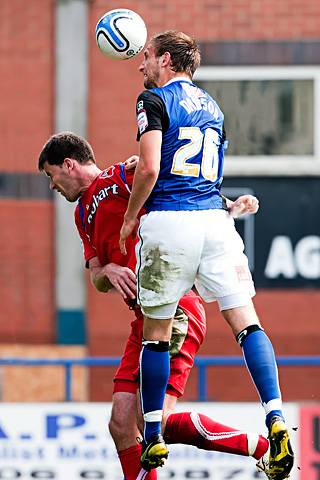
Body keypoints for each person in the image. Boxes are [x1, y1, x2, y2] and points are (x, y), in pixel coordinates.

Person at [38, 132, 269, 480]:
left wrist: (226, 204)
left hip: (176, 309)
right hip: (142, 321)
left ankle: (260, 447)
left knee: (155, 423)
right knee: (120, 423)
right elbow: (98, 275)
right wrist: (109, 270)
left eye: (51, 175)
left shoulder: (121, 176)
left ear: (68, 164)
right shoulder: (82, 213)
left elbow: (177, 190)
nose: (52, 185)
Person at [119, 30, 294, 479]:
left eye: (146, 57)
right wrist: (229, 207)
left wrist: (130, 216)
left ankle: (154, 433)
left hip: (169, 224)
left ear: (166, 59)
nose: (141, 66)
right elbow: (205, 177)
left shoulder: (153, 101)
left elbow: (154, 167)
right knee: (248, 324)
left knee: (156, 334)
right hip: (215, 225)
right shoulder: (212, 107)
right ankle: (275, 414)